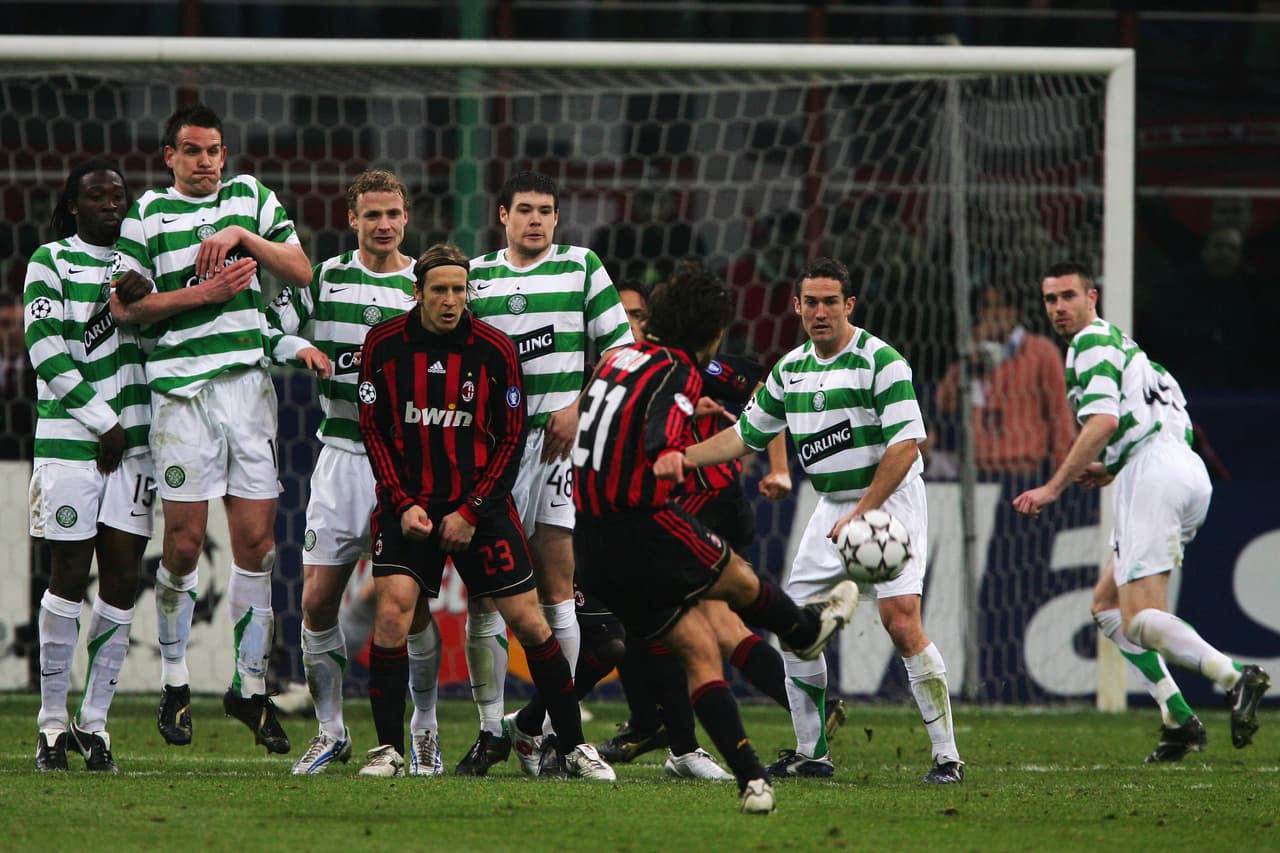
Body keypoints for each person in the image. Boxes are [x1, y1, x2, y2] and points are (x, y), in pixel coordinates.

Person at [573, 263, 858, 814]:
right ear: (713, 333)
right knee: (738, 581)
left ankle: (752, 781)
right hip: (641, 524)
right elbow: (661, 444)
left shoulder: (617, 359)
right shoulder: (676, 370)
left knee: (700, 648)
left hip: (590, 538)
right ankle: (804, 630)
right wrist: (672, 453)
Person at [685, 257, 965, 784]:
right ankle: (811, 753)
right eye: (810, 302)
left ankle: (947, 757)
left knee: (901, 620)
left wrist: (863, 513)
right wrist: (683, 458)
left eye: (830, 302)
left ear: (848, 305)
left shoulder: (881, 361)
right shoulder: (789, 370)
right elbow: (744, 436)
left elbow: (906, 446)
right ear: (796, 306)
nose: (820, 312)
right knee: (793, 625)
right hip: (832, 504)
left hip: (890, 501)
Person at [112, 102, 329, 755]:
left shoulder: (250, 199)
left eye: (214, 151)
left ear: (225, 155)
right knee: (182, 545)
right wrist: (204, 295)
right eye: (192, 150)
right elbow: (124, 308)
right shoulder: (147, 215)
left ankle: (249, 688)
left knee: (258, 545)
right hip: (181, 396)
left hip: (247, 391)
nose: (205, 161)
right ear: (169, 156)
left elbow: (300, 270)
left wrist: (242, 235)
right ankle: (175, 683)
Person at [356, 241, 614, 780]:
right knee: (391, 616)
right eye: (439, 290)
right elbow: (373, 430)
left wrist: (472, 511)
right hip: (410, 508)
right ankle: (387, 751)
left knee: (529, 621)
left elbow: (511, 437)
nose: (451, 300)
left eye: (459, 289)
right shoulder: (383, 344)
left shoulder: (494, 348)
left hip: (481, 506)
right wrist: (402, 503)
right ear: (417, 292)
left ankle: (572, 746)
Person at [1013, 260, 1270, 752]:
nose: (1059, 307)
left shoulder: (1089, 343)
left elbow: (1104, 422)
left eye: (1069, 296)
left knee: (1139, 617)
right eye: (1051, 299)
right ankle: (1178, 720)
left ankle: (1234, 676)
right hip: (1183, 470)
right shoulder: (1132, 352)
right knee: (1106, 606)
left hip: (1152, 475)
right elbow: (1145, 422)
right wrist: (1109, 467)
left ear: (1092, 297)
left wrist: (1053, 487)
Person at [456, 170, 633, 775]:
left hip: (557, 448)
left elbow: (621, 351)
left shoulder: (581, 266)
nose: (536, 220)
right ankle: (490, 731)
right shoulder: (475, 277)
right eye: (525, 209)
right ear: (502, 215)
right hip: (491, 453)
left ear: (557, 218)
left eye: (546, 211)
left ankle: (555, 734)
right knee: (484, 595)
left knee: (558, 586)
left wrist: (578, 406)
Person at [265, 170, 425, 775]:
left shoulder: (424, 283)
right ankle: (331, 730)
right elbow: (270, 330)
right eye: (372, 215)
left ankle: (425, 729)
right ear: (352, 218)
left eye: (393, 214)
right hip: (340, 457)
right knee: (315, 600)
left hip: (407, 469)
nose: (384, 225)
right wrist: (297, 348)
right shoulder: (325, 279)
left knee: (410, 609)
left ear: (406, 217)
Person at [25, 160, 152, 773]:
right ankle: (51, 725)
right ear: (73, 205)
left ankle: (94, 723)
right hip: (72, 440)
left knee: (123, 578)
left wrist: (149, 298)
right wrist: (103, 420)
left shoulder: (141, 265)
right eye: (97, 196)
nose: (110, 204)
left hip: (137, 444)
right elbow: (45, 348)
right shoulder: (49, 261)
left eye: (118, 195)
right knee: (69, 574)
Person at [934, 283, 1076, 476]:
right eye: (986, 306)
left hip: (1023, 468)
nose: (993, 314)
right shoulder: (976, 354)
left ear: (1015, 311)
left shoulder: (1040, 352)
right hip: (977, 469)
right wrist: (971, 355)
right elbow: (945, 403)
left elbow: (1059, 414)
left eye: (1000, 306)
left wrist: (1064, 470)